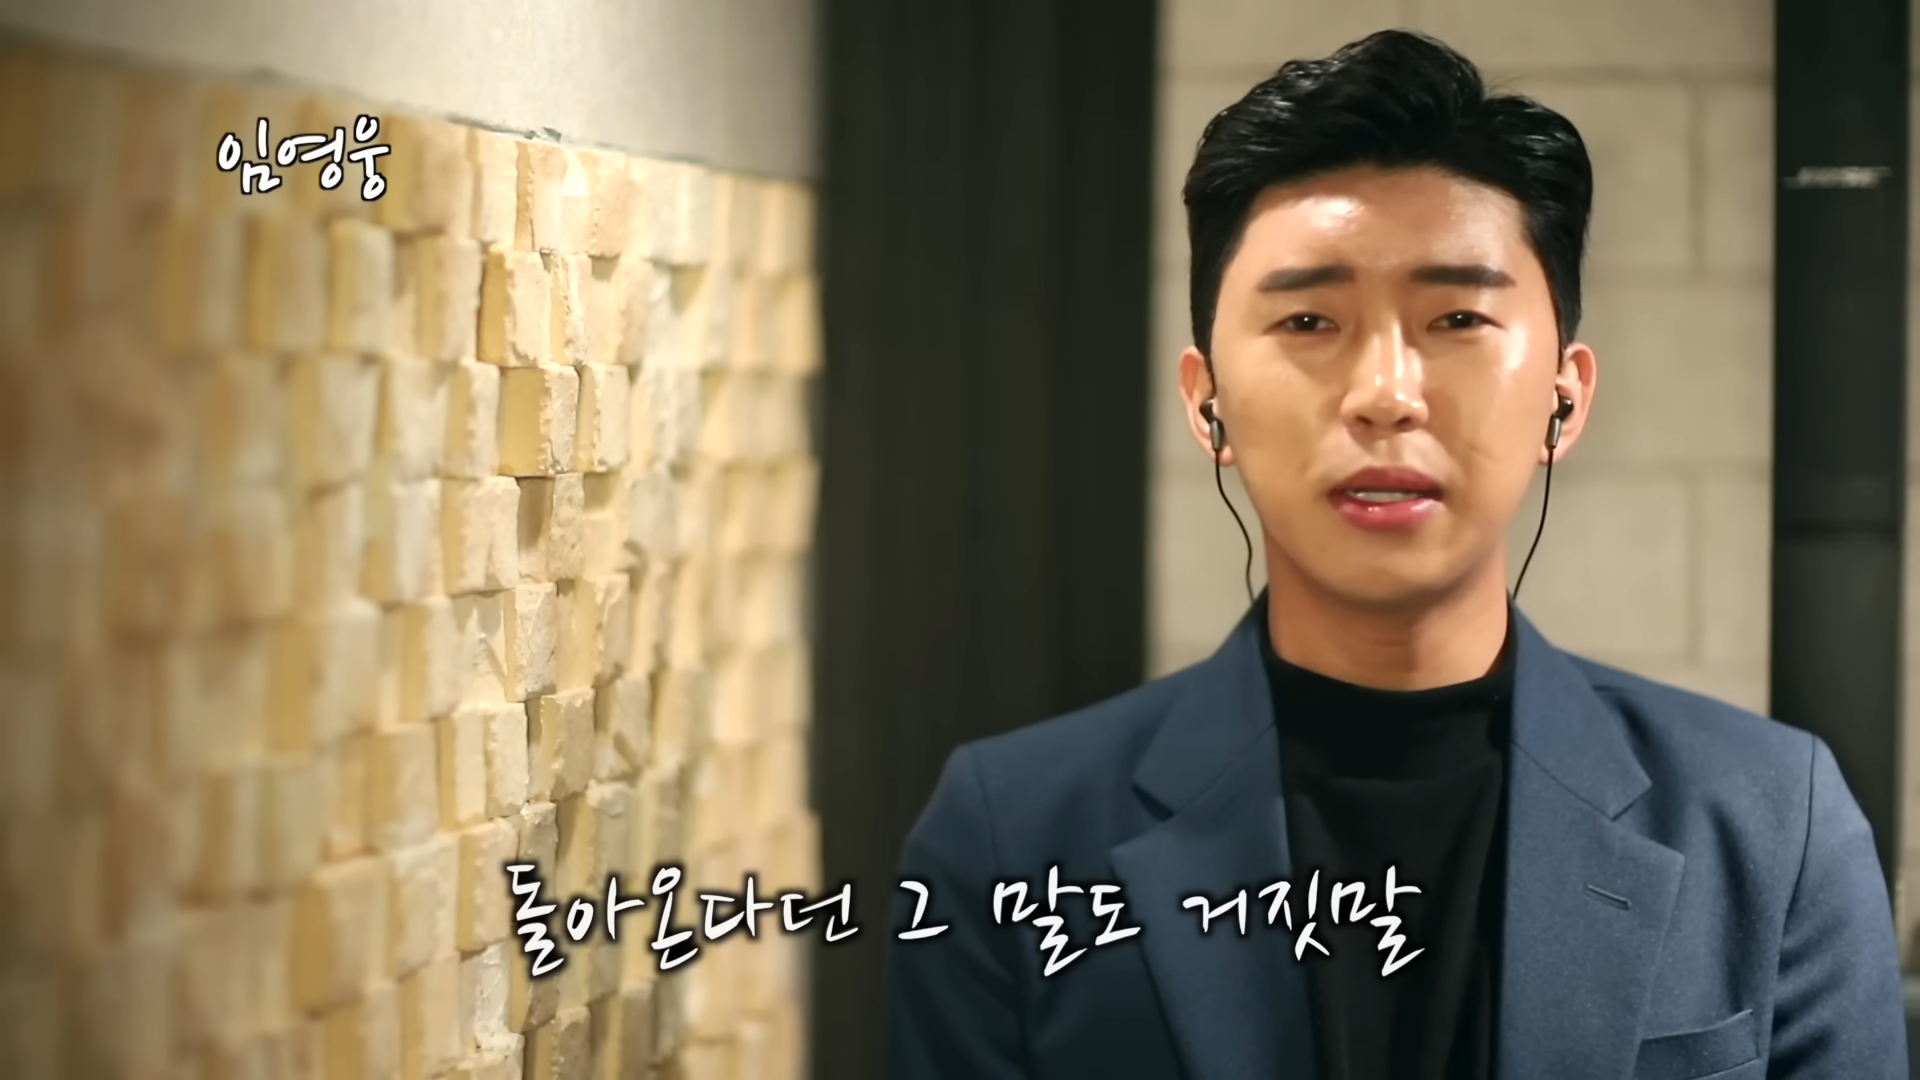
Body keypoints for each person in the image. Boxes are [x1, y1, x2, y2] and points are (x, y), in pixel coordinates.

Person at [883, 28, 1908, 1080]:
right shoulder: (1011, 832)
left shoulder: (1770, 820)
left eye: (1457, 315)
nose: (1384, 393)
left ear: (1564, 397)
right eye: (1309, 320)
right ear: (1207, 401)